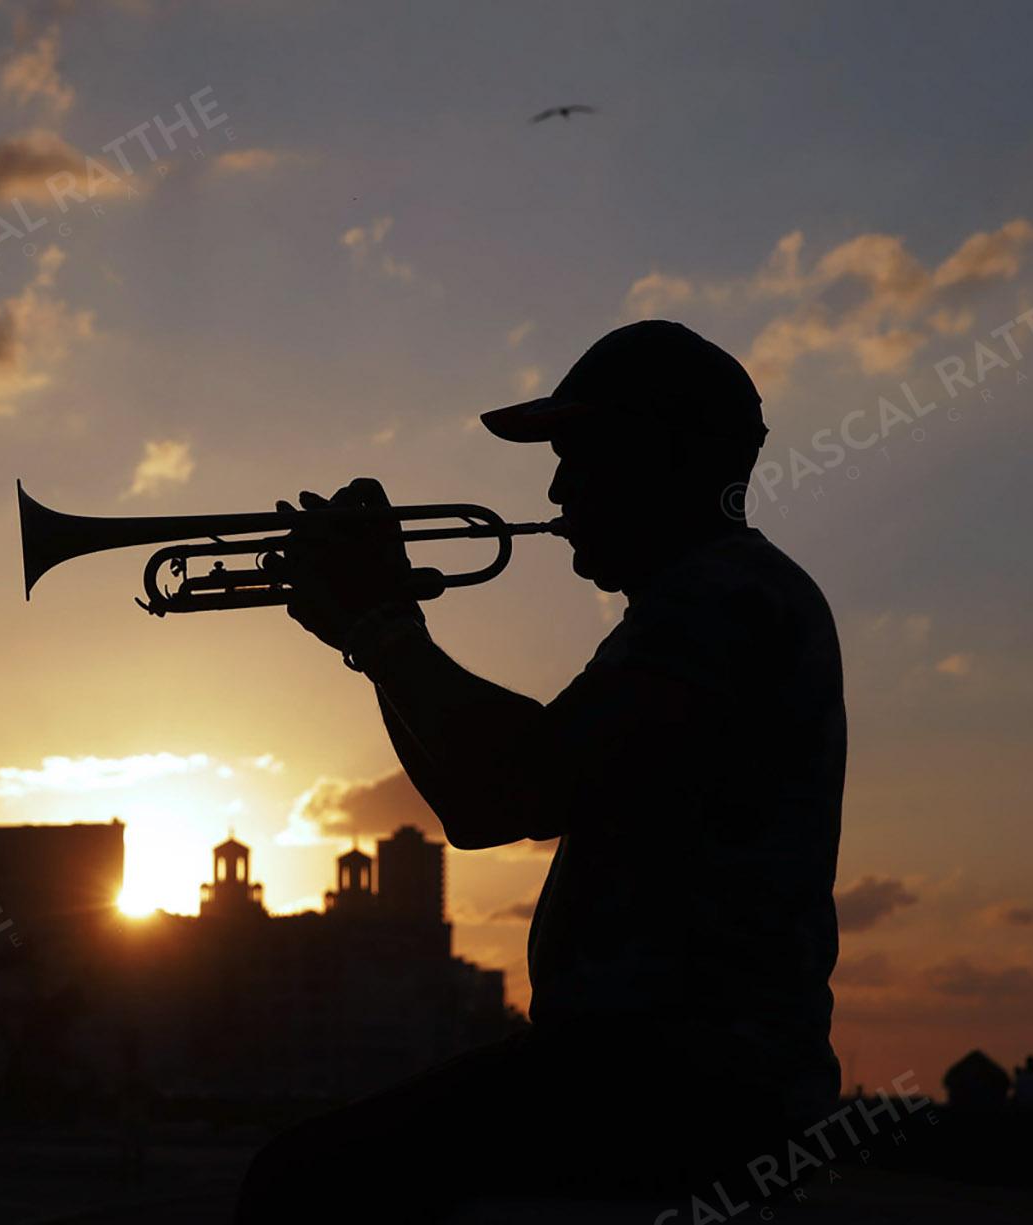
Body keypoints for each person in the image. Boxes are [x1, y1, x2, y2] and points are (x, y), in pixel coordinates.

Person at [236, 321, 847, 1220]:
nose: (557, 488)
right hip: (648, 1069)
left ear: (657, 458)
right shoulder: (695, 605)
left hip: (679, 1083)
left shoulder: (724, 603)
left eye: (579, 454)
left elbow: (518, 783)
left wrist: (382, 625)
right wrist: (373, 638)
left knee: (299, 1186)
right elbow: (475, 809)